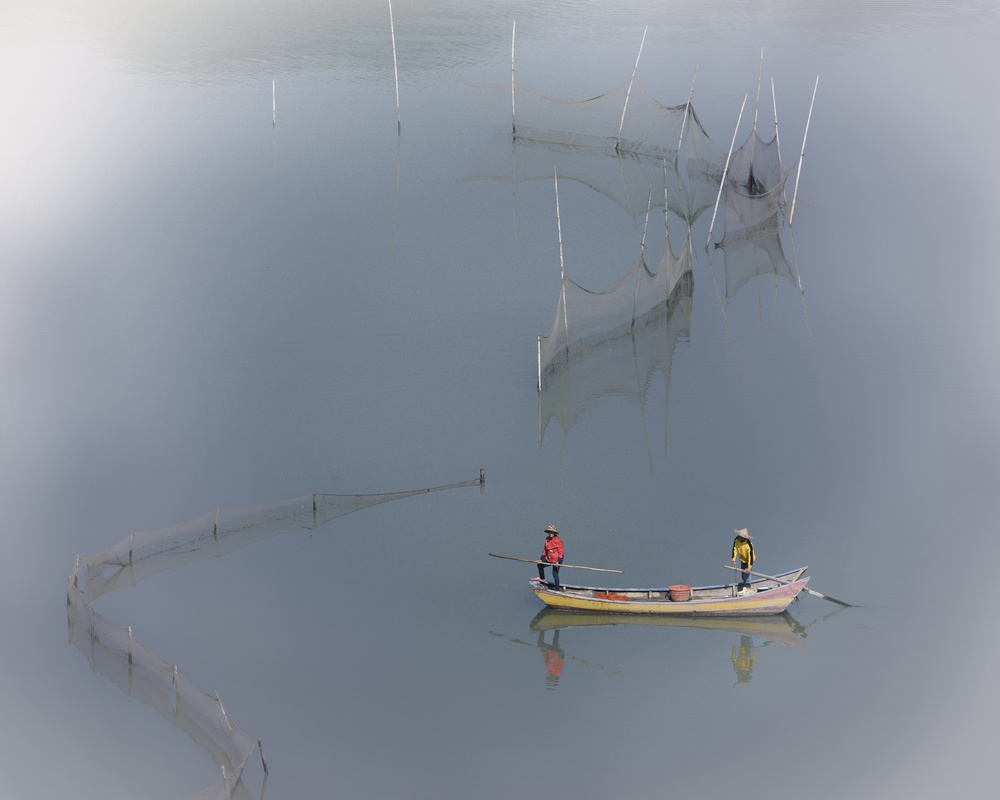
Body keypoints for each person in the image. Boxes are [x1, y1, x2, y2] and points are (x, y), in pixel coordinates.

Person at [537, 524, 564, 588]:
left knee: (555, 574)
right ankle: (542, 578)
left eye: (552, 532)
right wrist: (541, 559)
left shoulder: (558, 541)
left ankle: (557, 590)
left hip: (557, 559)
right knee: (540, 565)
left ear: (554, 533)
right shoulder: (547, 539)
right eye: (550, 532)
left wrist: (558, 561)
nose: (550, 533)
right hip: (549, 558)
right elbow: (545, 550)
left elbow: (561, 553)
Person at [731, 528, 755, 594]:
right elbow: (734, 549)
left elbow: (751, 557)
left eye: (740, 536)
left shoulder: (749, 544)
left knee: (747, 576)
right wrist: (734, 560)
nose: (738, 537)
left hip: (749, 561)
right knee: (743, 576)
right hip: (742, 560)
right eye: (738, 535)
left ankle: (748, 589)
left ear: (743, 537)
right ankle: (745, 587)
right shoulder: (736, 540)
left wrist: (749, 567)